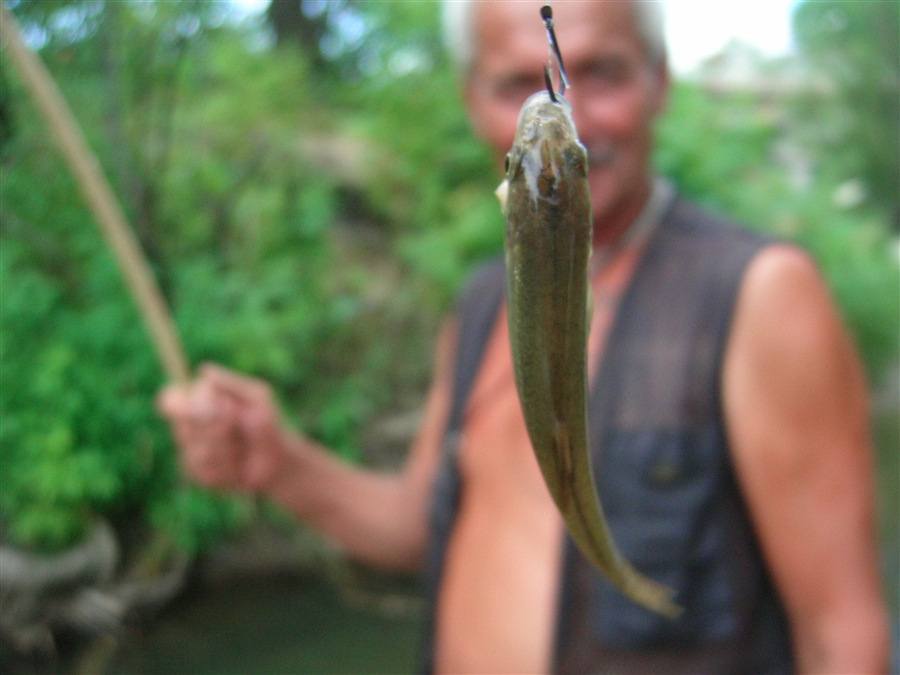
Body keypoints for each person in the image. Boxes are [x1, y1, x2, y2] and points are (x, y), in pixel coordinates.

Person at [158, 1, 890, 673]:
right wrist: (281, 462)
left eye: (604, 72)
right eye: (515, 85)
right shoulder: (479, 301)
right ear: (469, 100)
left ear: (660, 81)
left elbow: (842, 630)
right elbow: (420, 529)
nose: (580, 118)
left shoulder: (763, 293)